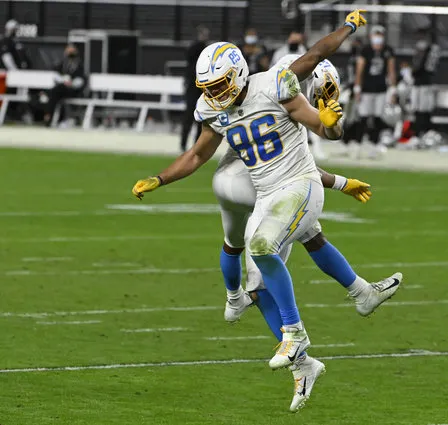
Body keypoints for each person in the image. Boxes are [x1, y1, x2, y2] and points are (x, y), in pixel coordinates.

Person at [131, 11, 395, 412]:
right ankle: (305, 364)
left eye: (219, 84)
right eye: (209, 87)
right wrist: (160, 178)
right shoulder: (213, 110)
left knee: (259, 245)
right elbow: (198, 154)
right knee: (256, 285)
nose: (215, 93)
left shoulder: (274, 83)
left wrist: (350, 27)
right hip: (268, 194)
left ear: (236, 74)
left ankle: (295, 334)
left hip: (301, 185)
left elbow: (317, 64)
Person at [213, 53, 399, 324]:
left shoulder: (268, 92)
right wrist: (341, 183)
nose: (318, 102)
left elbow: (298, 166)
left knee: (307, 232)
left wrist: (342, 182)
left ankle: (360, 292)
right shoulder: (280, 99)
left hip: (239, 181)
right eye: (320, 94)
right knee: (263, 271)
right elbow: (297, 169)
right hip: (252, 185)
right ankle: (294, 344)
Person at [354, 25, 397, 159]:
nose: (378, 38)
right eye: (376, 35)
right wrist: (357, 87)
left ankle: (374, 145)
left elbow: (391, 70)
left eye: (380, 35)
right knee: (363, 117)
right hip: (366, 88)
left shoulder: (387, 50)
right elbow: (359, 69)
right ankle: (357, 145)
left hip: (380, 89)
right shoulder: (365, 50)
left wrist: (393, 89)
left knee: (378, 118)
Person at [180, 25, 210, 152]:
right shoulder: (198, 49)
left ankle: (196, 145)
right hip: (193, 88)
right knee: (189, 117)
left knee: (200, 118)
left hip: (199, 89)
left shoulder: (203, 49)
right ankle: (184, 144)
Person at [410, 26, 440, 145]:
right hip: (420, 82)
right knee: (418, 109)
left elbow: (424, 67)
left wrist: (414, 71)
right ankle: (420, 134)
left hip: (425, 83)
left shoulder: (430, 49)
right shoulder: (426, 48)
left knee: (423, 110)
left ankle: (423, 134)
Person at [43, 44, 86, 127]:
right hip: (61, 89)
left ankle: (49, 117)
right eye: (68, 51)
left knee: (54, 92)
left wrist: (72, 83)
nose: (69, 53)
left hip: (73, 90)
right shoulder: (62, 64)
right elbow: (55, 75)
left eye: (71, 51)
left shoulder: (79, 65)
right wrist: (63, 80)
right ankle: (53, 118)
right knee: (54, 93)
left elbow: (81, 80)